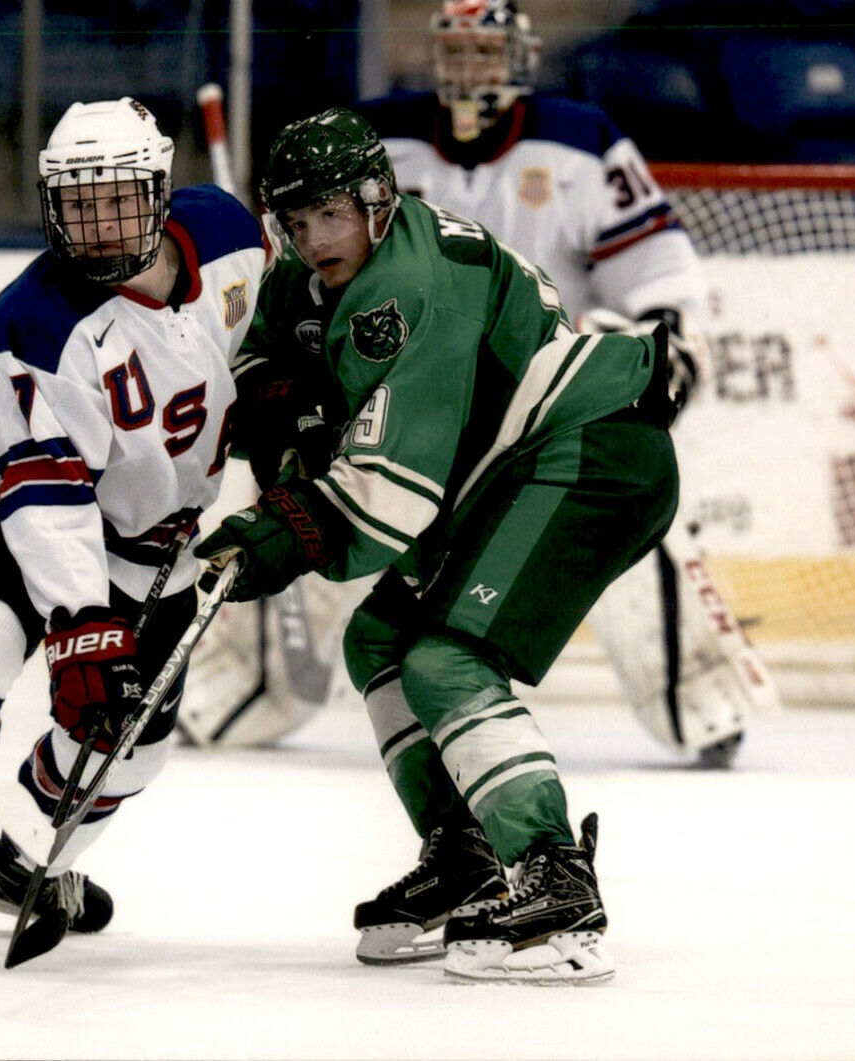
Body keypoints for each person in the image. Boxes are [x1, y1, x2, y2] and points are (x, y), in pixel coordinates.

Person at [195, 107, 678, 984]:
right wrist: (285, 412)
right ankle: (464, 854)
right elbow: (256, 369)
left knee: (446, 660)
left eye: (330, 216)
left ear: (379, 204)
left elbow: (390, 501)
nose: (312, 241)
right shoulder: (308, 280)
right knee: (377, 640)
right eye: (295, 224)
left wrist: (282, 530)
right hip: (513, 467)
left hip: (591, 449)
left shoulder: (408, 286)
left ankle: (555, 876)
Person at [0, 97, 266, 970]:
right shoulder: (32, 317)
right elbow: (46, 485)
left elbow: (283, 338)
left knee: (134, 739)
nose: (99, 225)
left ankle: (22, 859)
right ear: (49, 205)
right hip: (12, 504)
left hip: (159, 542)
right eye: (77, 203)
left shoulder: (230, 235)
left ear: (160, 190)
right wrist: (77, 624)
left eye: (117, 199)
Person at [351, 0, 774, 768]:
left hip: (542, 410)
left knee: (629, 511)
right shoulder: (380, 140)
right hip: (410, 408)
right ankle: (241, 689)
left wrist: (659, 350)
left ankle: (701, 700)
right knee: (294, 499)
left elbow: (664, 279)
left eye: (489, 52)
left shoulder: (582, 144)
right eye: (458, 51)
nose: (472, 70)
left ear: (524, 56)